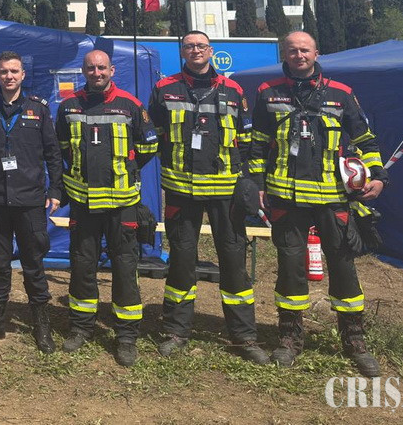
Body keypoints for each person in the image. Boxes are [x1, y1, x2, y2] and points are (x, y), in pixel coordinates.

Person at [249, 31, 387, 376]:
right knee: (290, 268)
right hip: (286, 198)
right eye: (292, 50)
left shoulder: (341, 93)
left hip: (332, 199)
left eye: (305, 50)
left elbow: (366, 139)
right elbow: (257, 144)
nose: (299, 55)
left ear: (316, 53)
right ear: (284, 54)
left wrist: (378, 176)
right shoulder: (268, 92)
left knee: (343, 267)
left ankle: (355, 341)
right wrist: (257, 186)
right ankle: (289, 339)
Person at [148, 33, 269, 365]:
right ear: (182, 52)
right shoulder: (164, 89)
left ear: (211, 51)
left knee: (233, 264)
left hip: (225, 193)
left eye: (201, 46)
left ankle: (244, 336)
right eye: (189, 46)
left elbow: (247, 140)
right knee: (181, 263)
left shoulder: (233, 90)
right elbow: (152, 134)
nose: (196, 51)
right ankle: (176, 331)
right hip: (181, 191)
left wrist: (250, 182)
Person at [55, 49, 157, 367]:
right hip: (83, 204)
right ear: (83, 71)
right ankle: (81, 327)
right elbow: (62, 148)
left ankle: (126, 336)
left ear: (112, 70)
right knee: (82, 267)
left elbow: (149, 146)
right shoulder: (68, 106)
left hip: (121, 204)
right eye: (91, 68)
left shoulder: (131, 105)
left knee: (125, 269)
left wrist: (123, 170)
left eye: (102, 68)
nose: (96, 73)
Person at [0, 51, 62, 353]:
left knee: (34, 263)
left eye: (14, 71)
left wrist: (55, 190)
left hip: (30, 200)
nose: (9, 76)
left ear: (23, 75)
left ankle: (41, 322)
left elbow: (53, 153)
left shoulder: (39, 109)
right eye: (4, 71)